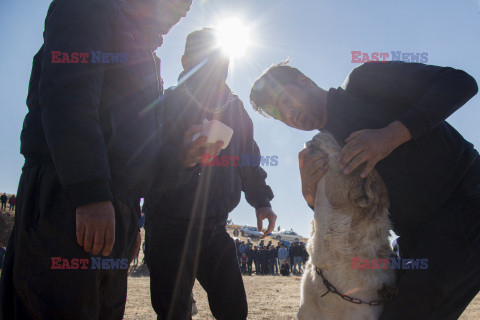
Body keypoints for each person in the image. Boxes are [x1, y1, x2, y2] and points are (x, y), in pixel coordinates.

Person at [0, 1, 192, 319]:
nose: (177, 15)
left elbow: (138, 154)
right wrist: (91, 194)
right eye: (173, 3)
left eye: (183, 11)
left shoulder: (147, 56)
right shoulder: (88, 7)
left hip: (112, 212)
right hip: (68, 201)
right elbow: (68, 97)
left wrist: (183, 159)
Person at [250, 61, 479, 320]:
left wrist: (389, 137)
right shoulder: (324, 148)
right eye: (280, 115)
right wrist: (310, 192)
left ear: (304, 80)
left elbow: (460, 83)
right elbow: (347, 214)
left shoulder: (364, 83)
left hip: (466, 204)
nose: (289, 114)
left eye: (285, 99)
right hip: (414, 238)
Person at [144, 27, 277, 320]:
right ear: (186, 62)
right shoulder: (166, 103)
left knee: (233, 310)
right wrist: (184, 159)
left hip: (215, 226)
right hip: (168, 224)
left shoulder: (236, 108)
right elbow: (148, 167)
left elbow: (249, 161)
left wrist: (261, 201)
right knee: (173, 313)